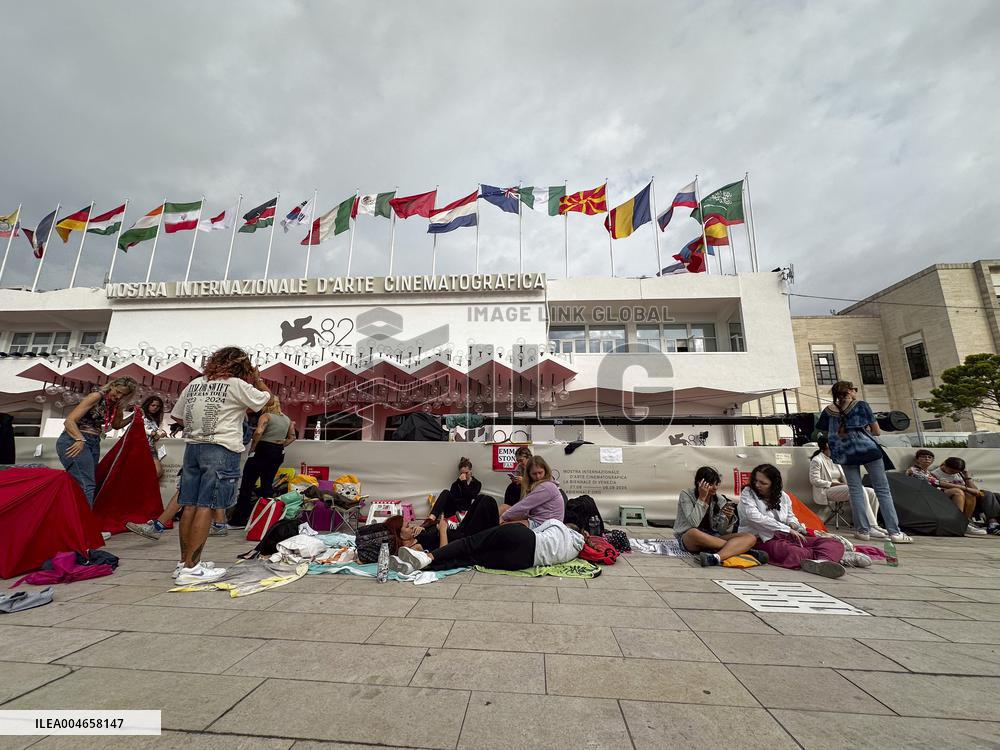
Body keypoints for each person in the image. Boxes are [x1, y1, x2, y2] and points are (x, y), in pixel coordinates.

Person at [170, 347, 270, 583]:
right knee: (207, 504)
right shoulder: (235, 384)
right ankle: (192, 570)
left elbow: (177, 416)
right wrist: (257, 379)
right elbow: (266, 400)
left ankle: (184, 563)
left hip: (193, 446)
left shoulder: (194, 384)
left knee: (190, 504)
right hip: (221, 447)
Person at [816, 381, 912, 544]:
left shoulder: (828, 410)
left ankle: (863, 530)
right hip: (867, 449)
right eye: (854, 389)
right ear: (850, 391)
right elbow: (876, 431)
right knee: (882, 489)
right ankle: (894, 532)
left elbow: (824, 430)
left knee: (855, 490)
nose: (856, 392)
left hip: (844, 452)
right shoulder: (861, 405)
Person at [738, 464, 850, 578]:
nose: (757, 485)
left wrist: (793, 524)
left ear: (773, 484)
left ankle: (821, 562)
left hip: (785, 535)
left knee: (834, 543)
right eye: (756, 481)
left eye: (763, 483)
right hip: (762, 539)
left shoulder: (783, 496)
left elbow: (790, 516)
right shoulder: (748, 493)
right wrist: (786, 529)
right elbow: (754, 517)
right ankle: (826, 558)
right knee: (796, 552)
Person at [390, 516, 584, 573]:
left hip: (524, 538)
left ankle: (427, 557)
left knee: (469, 544)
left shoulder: (559, 526)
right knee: (469, 559)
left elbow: (537, 530)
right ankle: (416, 567)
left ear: (570, 527)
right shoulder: (574, 551)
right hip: (523, 561)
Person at [56, 377, 137, 507]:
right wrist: (79, 438)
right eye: (118, 391)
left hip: (93, 442)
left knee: (83, 482)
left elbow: (117, 425)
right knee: (87, 484)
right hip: (75, 439)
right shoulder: (96, 396)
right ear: (112, 386)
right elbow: (69, 421)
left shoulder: (116, 405)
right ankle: (83, 521)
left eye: (123, 394)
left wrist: (134, 416)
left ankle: (75, 517)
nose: (118, 396)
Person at [674, 466, 766, 567]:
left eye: (717, 484)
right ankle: (742, 549)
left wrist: (727, 518)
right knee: (694, 532)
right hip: (690, 539)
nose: (715, 487)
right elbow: (694, 522)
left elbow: (720, 530)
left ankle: (715, 557)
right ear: (699, 483)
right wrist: (702, 498)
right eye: (710, 484)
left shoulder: (719, 499)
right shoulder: (686, 494)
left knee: (750, 537)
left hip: (714, 537)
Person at [227, 396, 296, 529]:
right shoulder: (286, 419)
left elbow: (259, 431)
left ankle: (240, 519)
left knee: (248, 484)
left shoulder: (266, 416)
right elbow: (292, 437)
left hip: (262, 449)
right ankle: (266, 518)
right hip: (277, 452)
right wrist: (280, 444)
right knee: (267, 485)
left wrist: (253, 447)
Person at [810, 436, 886, 537]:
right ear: (827, 445)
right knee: (858, 490)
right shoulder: (817, 460)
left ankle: (872, 524)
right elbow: (814, 480)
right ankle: (869, 526)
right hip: (827, 490)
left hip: (843, 488)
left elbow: (846, 477)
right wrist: (835, 484)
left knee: (872, 492)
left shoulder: (836, 459)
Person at [932, 457, 1000, 536]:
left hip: (969, 497)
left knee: (989, 494)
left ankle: (993, 522)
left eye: (956, 472)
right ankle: (965, 522)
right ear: (945, 466)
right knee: (969, 494)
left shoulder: (960, 473)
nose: (954, 473)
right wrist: (966, 489)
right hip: (953, 499)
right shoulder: (935, 474)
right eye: (951, 471)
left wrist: (967, 477)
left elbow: (975, 490)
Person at [499, 456, 564, 527]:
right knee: (504, 507)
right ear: (529, 474)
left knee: (503, 526)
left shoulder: (546, 486)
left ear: (545, 471)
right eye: (534, 474)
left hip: (545, 524)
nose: (538, 476)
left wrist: (504, 517)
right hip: (537, 518)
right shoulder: (539, 484)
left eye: (540, 472)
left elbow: (524, 505)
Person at [423, 457, 484, 527]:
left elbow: (470, 496)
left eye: (466, 473)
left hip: (466, 510)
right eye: (462, 473)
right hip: (454, 509)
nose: (464, 475)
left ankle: (449, 520)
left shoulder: (477, 483)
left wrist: (464, 482)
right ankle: (431, 518)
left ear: (471, 471)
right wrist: (460, 482)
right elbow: (453, 499)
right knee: (446, 492)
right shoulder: (456, 484)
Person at [501, 446, 533, 510]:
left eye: (521, 460)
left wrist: (524, 481)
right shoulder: (520, 466)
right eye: (518, 461)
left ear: (528, 458)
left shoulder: (535, 466)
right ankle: (509, 508)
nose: (519, 463)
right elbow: (516, 475)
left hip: (532, 489)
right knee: (512, 486)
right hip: (522, 489)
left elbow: (539, 482)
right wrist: (514, 479)